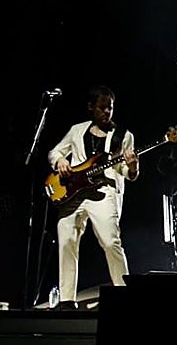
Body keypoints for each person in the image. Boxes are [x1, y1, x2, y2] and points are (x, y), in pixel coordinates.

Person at [47, 84, 137, 310]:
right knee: (67, 241)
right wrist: (61, 161)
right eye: (102, 107)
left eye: (110, 107)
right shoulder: (77, 130)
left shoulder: (124, 136)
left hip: (103, 192)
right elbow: (55, 151)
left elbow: (125, 171)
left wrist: (133, 167)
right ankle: (67, 299)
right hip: (73, 193)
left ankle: (124, 291)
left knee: (110, 242)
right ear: (91, 108)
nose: (107, 112)